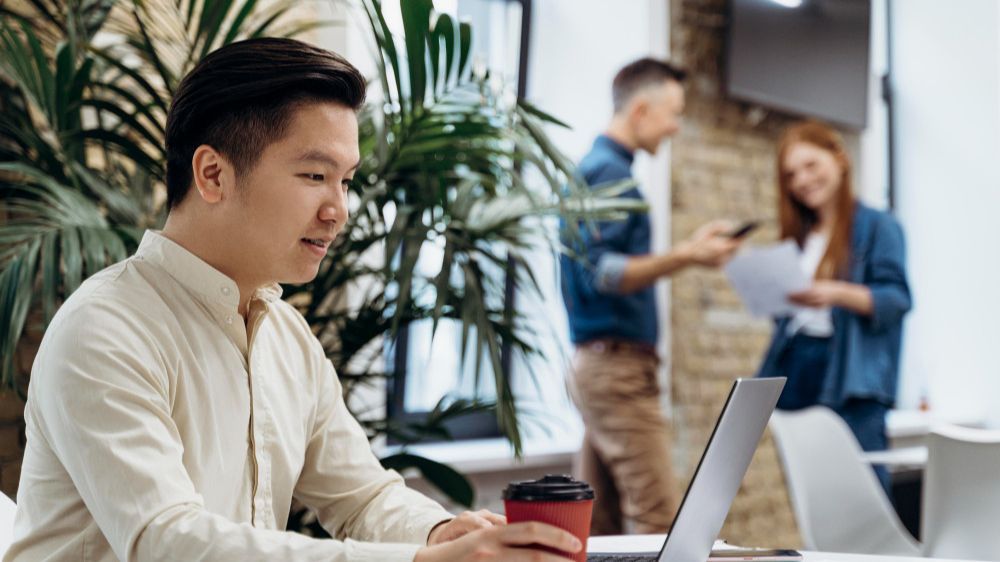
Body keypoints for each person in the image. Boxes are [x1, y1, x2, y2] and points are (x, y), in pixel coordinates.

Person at [6, 38, 581, 562]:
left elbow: (362, 498)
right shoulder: (104, 328)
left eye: (347, 181)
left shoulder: (283, 333)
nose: (339, 210)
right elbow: (167, 541)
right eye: (314, 175)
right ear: (212, 174)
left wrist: (439, 535)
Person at [559, 58, 742, 535]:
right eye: (673, 113)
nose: (675, 127)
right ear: (641, 109)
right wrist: (690, 254)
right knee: (661, 522)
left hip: (603, 367)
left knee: (601, 528)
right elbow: (604, 272)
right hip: (617, 372)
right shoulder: (609, 172)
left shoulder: (601, 169)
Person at [756, 120, 912, 491]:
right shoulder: (800, 237)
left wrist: (834, 292)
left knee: (861, 488)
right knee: (813, 489)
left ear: (840, 159)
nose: (802, 180)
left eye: (811, 165)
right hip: (798, 366)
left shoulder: (877, 226)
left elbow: (896, 299)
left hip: (849, 374)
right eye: (792, 174)